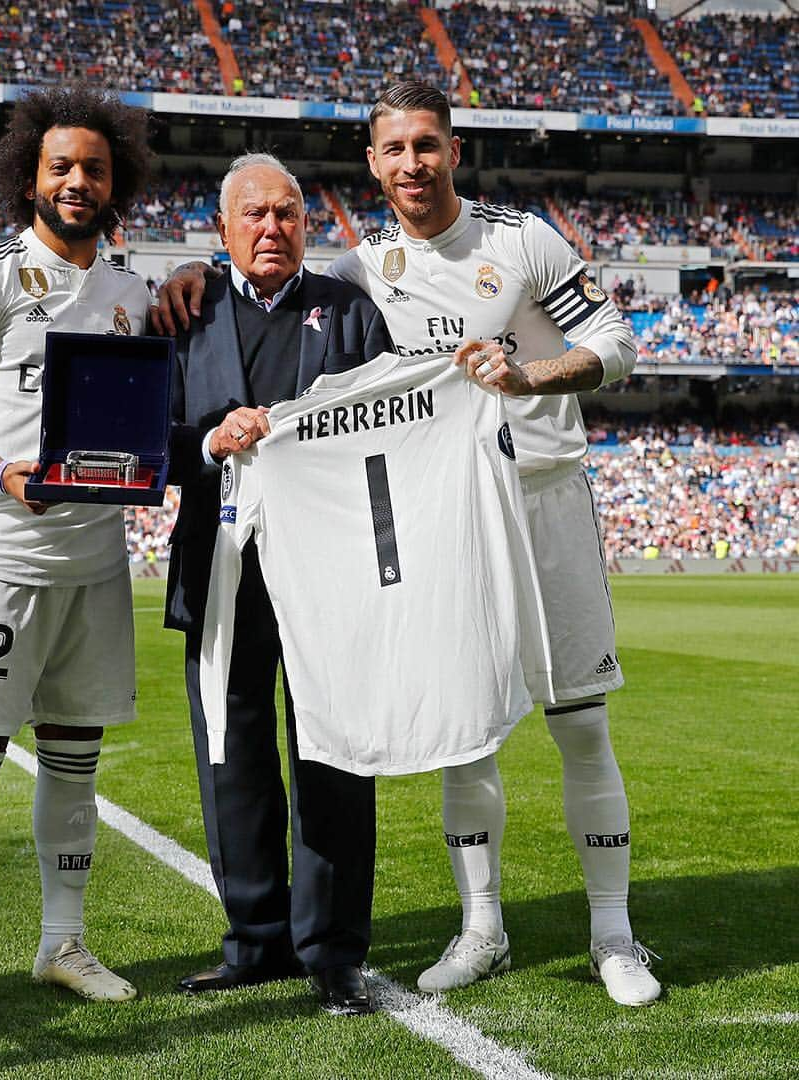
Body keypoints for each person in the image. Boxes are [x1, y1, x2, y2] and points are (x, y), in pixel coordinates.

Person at [154, 83, 659, 1008]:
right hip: (449, 520)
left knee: (580, 723)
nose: (411, 164)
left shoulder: (522, 239)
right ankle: (481, 928)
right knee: (467, 734)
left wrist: (528, 373)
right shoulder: (361, 269)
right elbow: (263, 269)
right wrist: (189, 271)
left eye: (427, 145)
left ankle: (616, 936)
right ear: (373, 163)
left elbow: (620, 345)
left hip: (542, 501)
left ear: (453, 151)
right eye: (393, 150)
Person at [0, 84, 153, 1030]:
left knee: (75, 760)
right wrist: (2, 471)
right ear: (29, 177)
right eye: (61, 167)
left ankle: (62, 943)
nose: (78, 181)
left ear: (115, 178)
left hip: (94, 554)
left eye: (93, 166)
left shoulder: (133, 294)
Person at [164, 153, 392, 1016]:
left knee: (333, 759)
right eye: (254, 214)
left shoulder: (349, 313)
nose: (273, 227)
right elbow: (157, 443)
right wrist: (214, 442)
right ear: (222, 230)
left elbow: (387, 438)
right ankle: (254, 943)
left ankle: (334, 952)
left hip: (329, 572)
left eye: (289, 213)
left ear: (308, 225)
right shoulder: (184, 311)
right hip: (219, 568)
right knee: (234, 759)